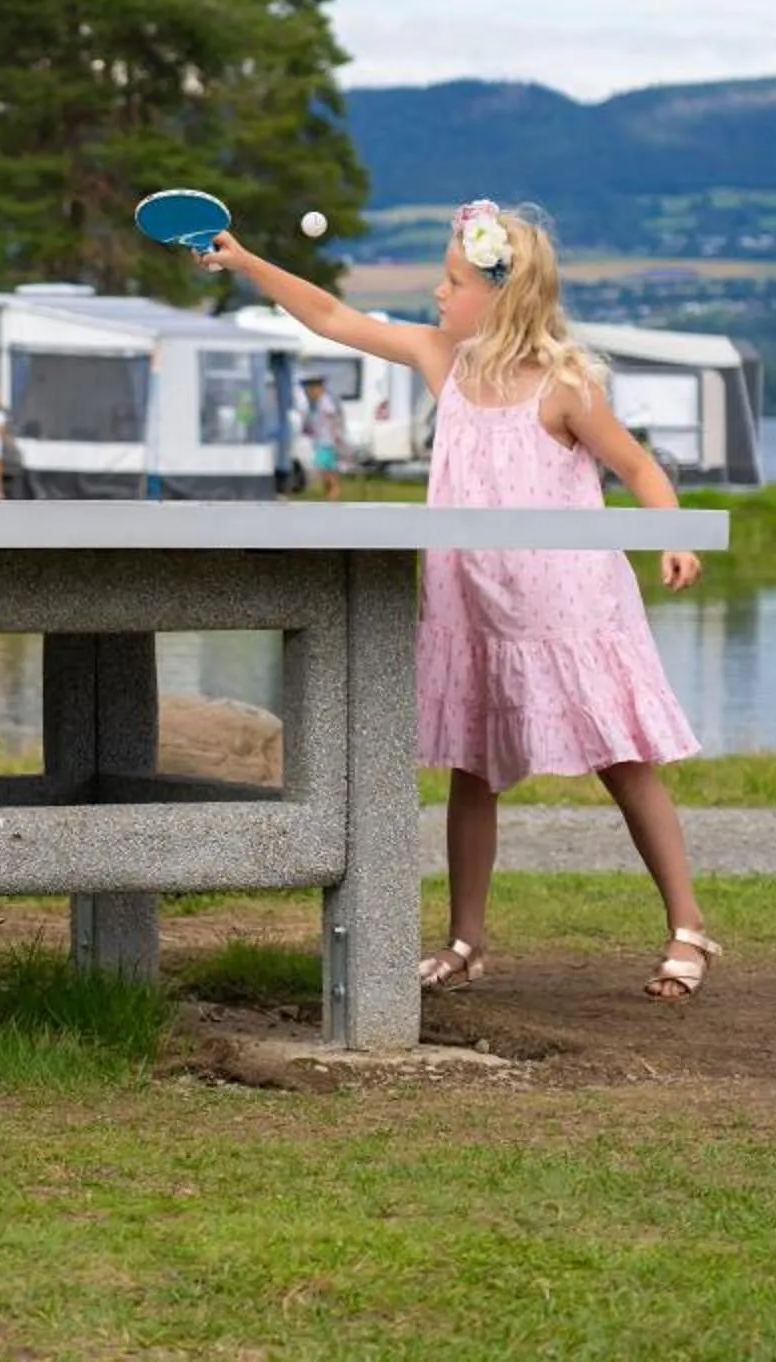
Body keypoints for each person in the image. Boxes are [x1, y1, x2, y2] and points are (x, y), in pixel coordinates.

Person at [199, 200, 720, 1000]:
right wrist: (246, 263)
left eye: (453, 281)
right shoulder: (443, 361)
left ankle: (687, 926)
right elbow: (332, 316)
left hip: (569, 612)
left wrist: (673, 536)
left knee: (624, 761)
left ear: (502, 296)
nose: (437, 294)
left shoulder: (565, 388)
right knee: (470, 772)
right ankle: (465, 939)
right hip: (473, 608)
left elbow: (641, 469)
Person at [299, 374, 347, 500]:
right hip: (320, 440)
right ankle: (330, 492)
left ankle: (334, 491)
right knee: (325, 468)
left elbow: (333, 419)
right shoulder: (316, 402)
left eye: (310, 388)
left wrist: (336, 437)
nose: (309, 392)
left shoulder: (325, 401)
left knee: (325, 468)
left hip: (327, 441)